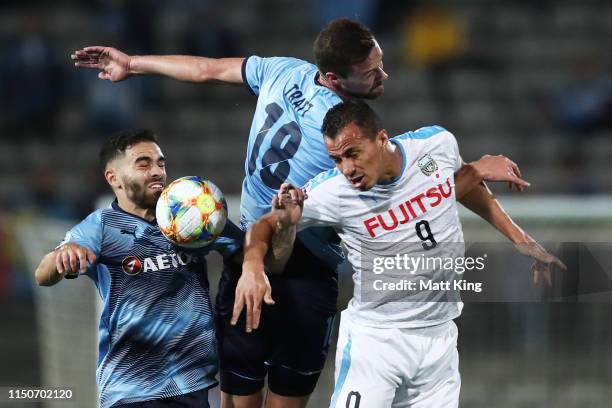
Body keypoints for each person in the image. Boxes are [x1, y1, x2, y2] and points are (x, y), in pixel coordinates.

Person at [71, 18, 542, 408]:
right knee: (268, 398)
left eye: (381, 65)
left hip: (249, 256)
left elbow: (209, 69)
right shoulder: (349, 140)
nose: (383, 77)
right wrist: (477, 168)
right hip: (299, 266)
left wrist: (134, 64)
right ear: (336, 80)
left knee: (241, 396)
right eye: (371, 72)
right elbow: (427, 183)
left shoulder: (283, 71)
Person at [235, 100, 566, 408]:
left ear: (381, 139)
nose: (346, 168)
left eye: (353, 153)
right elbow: (266, 223)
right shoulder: (330, 192)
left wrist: (523, 241)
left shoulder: (436, 144)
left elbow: (457, 186)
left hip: (439, 341)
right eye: (337, 159)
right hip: (377, 343)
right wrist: (252, 265)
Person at [34, 129, 245, 408]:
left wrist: (259, 251)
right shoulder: (102, 226)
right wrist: (63, 256)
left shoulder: (191, 214)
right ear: (114, 178)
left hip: (194, 385)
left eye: (161, 163)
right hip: (132, 389)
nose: (157, 171)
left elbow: (248, 253)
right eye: (143, 164)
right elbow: (43, 275)